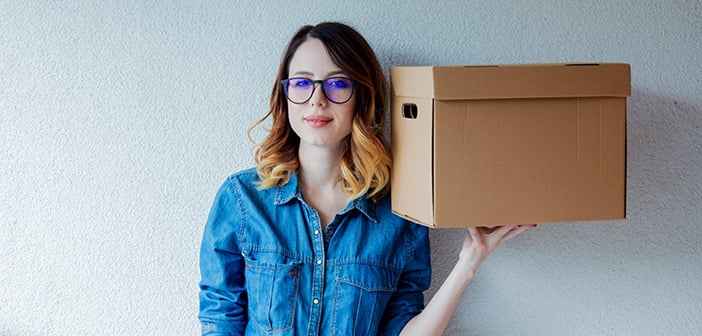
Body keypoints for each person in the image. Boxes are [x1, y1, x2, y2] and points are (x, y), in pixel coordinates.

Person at [198, 21, 533, 336]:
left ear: (362, 98)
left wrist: (469, 262)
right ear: (285, 96)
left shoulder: (400, 211)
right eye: (301, 83)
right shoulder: (242, 200)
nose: (317, 98)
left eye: (337, 83)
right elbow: (220, 318)